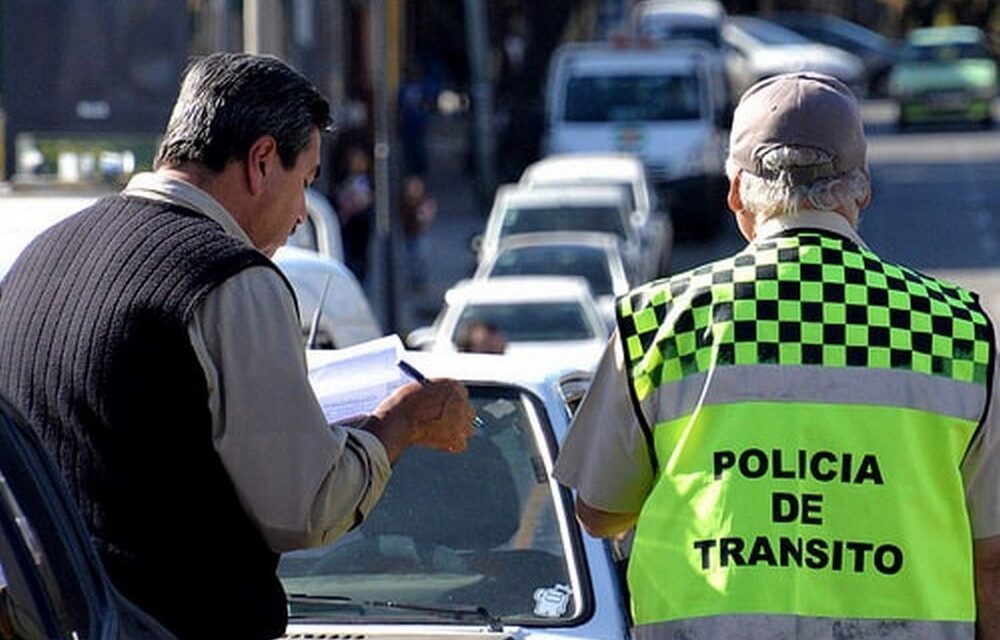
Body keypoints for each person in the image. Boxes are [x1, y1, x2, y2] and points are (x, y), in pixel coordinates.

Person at [0, 52, 475, 640]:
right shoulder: (231, 280)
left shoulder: (37, 257)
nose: (302, 213)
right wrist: (400, 422)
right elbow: (308, 507)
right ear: (261, 161)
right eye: (304, 183)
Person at [553, 72, 1000, 639]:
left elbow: (597, 511)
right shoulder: (957, 331)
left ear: (736, 190)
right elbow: (993, 557)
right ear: (861, 188)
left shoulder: (658, 322)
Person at [336, 145, 375, 282]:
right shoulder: (345, 180)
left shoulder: (366, 182)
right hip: (348, 227)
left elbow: (367, 200)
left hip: (361, 227)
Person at [398, 174, 437, 291]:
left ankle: (419, 282)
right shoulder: (405, 203)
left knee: (420, 259)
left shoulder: (422, 202)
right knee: (411, 260)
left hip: (420, 235)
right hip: (409, 235)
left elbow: (428, 215)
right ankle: (414, 282)